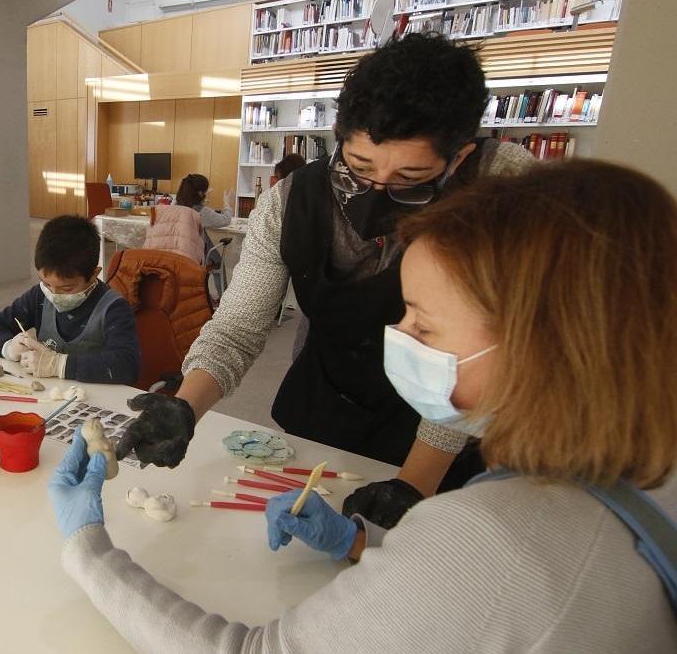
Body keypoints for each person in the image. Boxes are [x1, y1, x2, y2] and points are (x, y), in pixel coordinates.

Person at [49, 160, 677, 651]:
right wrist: (365, 546)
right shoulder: (646, 474)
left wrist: (86, 547)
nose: (397, 338)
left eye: (425, 328)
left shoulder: (492, 536)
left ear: (546, 343)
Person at [116, 33, 535, 528]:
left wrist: (415, 482)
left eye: (411, 178)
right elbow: (239, 326)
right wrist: (184, 406)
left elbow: (487, 359)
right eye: (358, 168)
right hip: (329, 396)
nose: (376, 193)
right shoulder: (292, 200)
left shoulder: (502, 190)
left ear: (459, 156)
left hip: (444, 420)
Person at [0, 215, 140, 385]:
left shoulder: (113, 308)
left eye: (66, 288)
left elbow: (128, 366)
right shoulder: (40, 296)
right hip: (49, 395)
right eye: (46, 283)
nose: (53, 295)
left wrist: (59, 365)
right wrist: (9, 347)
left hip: (92, 401)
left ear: (94, 274)